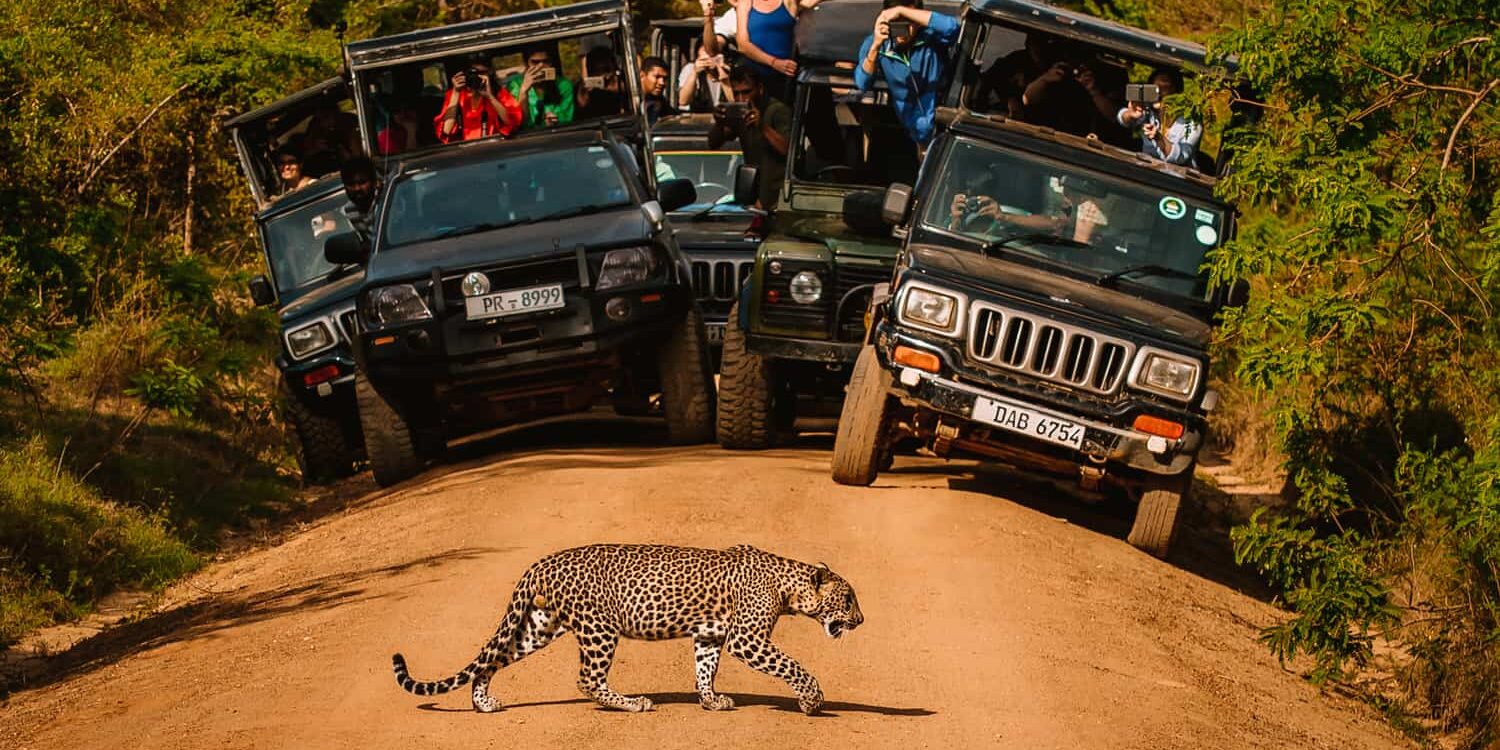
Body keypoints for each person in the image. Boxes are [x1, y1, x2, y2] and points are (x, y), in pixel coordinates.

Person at [853, 0, 959, 147]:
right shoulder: (877, 44)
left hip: (943, 120)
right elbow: (862, 83)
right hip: (911, 127)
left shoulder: (931, 37)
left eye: (909, 22)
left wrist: (902, 11)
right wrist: (876, 46)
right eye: (897, 22)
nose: (902, 30)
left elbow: (953, 28)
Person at [708, 64, 791, 210]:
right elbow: (714, 143)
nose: (742, 98)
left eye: (746, 92)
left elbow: (786, 150)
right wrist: (719, 123)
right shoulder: (741, 113)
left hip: (778, 197)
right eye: (737, 93)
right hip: (754, 192)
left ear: (760, 88)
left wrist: (762, 127)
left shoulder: (777, 111)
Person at [737, 0, 823, 102]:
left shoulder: (788, 2)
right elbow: (742, 45)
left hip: (785, 76)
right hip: (755, 77)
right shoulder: (746, 3)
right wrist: (774, 62)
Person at [1117, 67, 1201, 166]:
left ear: (1176, 91)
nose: (1159, 92)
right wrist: (1131, 114)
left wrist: (1159, 138)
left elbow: (1181, 157)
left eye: (1164, 85)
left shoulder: (1191, 122)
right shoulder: (1148, 112)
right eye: (1154, 88)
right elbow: (1122, 118)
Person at [434, 60, 522, 143]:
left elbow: (512, 123)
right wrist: (456, 92)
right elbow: (446, 130)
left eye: (482, 73)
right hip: (464, 150)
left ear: (490, 73)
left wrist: (490, 96)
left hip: (494, 145)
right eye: (473, 73)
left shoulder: (497, 92)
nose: (477, 77)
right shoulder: (455, 94)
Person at [506, 45, 576, 129]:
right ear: (526, 63)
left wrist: (556, 120)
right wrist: (524, 91)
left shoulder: (563, 85)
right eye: (535, 62)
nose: (541, 66)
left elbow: (567, 119)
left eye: (546, 61)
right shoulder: (515, 85)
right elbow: (518, 122)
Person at [575, 48, 628, 119]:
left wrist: (612, 84)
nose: (602, 75)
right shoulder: (583, 88)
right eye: (596, 71)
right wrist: (587, 89)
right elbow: (581, 106)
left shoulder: (621, 83)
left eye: (605, 70)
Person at [339, 156, 380, 244]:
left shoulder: (387, 201)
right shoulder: (349, 211)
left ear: (374, 182)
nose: (357, 188)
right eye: (351, 184)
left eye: (362, 182)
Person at [678, 46, 731, 112]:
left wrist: (724, 77)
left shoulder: (728, 69)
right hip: (699, 118)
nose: (708, 59)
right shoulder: (691, 68)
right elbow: (683, 101)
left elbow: (734, 102)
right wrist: (695, 73)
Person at [640, 56, 678, 125]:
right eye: (657, 77)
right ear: (642, 76)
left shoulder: (660, 102)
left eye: (664, 78)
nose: (662, 82)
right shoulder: (629, 100)